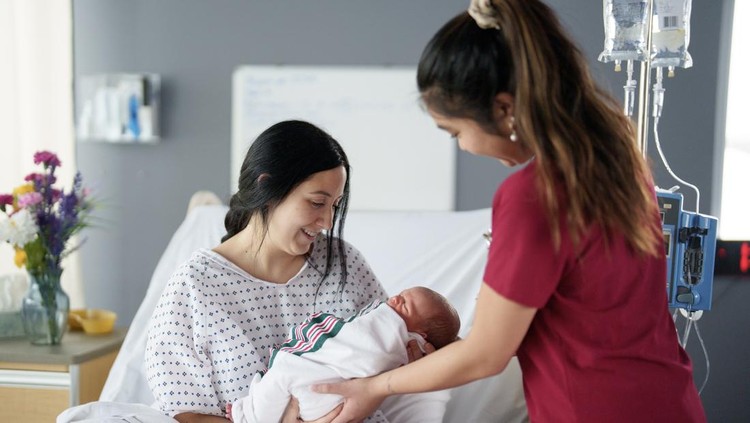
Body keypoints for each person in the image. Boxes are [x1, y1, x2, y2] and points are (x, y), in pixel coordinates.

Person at [313, 1, 708, 422]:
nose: (464, 146)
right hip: (669, 401)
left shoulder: (532, 196)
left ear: (503, 108)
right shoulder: (619, 160)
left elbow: (486, 355)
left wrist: (373, 387)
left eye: (455, 132)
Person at [145, 120, 448, 423]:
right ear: (267, 187)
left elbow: (401, 351)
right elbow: (183, 414)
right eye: (317, 202)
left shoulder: (344, 262)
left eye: (335, 205)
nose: (328, 221)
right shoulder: (196, 286)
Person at [226, 286, 460, 422]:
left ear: (420, 337)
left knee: (284, 374)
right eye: (400, 295)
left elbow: (368, 353)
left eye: (405, 306)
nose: (394, 299)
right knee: (282, 378)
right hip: (319, 391)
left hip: (324, 395)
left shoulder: (397, 337)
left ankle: (246, 413)